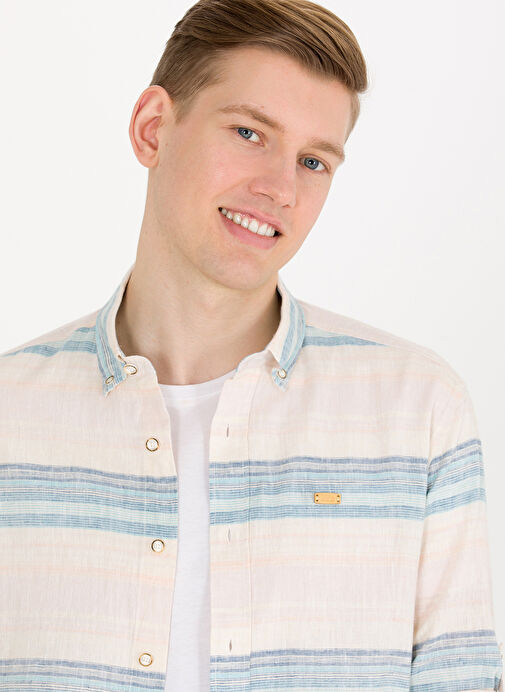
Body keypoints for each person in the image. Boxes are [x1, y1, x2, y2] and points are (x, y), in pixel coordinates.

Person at [0, 0, 502, 690]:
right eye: (248, 132)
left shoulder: (418, 411)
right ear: (152, 128)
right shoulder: (10, 417)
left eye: (314, 161)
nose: (280, 189)